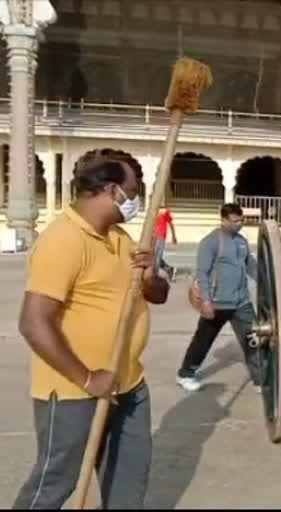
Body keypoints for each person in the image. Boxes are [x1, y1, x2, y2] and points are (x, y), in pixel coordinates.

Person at [13, 157, 169, 509]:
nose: (134, 201)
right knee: (58, 480)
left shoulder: (122, 238)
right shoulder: (63, 240)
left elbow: (157, 295)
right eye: (130, 192)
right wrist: (87, 377)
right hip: (73, 390)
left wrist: (149, 276)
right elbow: (33, 322)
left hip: (129, 384)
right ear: (111, 190)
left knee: (128, 481)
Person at [176, 203, 260, 392]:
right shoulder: (211, 242)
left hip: (241, 302)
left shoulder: (241, 241)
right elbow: (202, 273)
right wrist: (206, 301)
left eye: (241, 220)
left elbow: (250, 266)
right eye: (234, 221)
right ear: (223, 220)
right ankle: (185, 374)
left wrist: (267, 279)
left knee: (253, 339)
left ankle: (260, 379)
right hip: (217, 303)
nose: (239, 224)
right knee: (203, 341)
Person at [154, 205, 178, 281]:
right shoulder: (152, 210)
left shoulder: (164, 211)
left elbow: (171, 224)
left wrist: (173, 236)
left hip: (161, 236)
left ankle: (155, 275)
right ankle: (169, 269)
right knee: (154, 256)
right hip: (153, 236)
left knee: (157, 257)